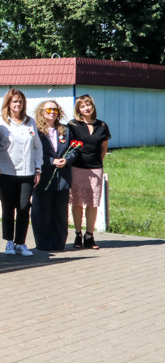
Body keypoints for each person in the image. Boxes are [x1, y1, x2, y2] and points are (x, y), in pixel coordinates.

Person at [0, 89, 43, 257]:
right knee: (8, 208)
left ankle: (20, 243)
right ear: (8, 103)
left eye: (20, 101)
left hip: (27, 172)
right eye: (14, 101)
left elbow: (37, 147)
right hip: (6, 172)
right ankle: (9, 241)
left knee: (23, 207)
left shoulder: (30, 122)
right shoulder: (0, 123)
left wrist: (38, 168)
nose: (18, 104)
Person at [31, 100, 76, 251]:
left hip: (62, 179)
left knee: (60, 213)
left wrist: (67, 160)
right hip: (43, 178)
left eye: (55, 110)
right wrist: (51, 161)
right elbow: (33, 151)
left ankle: (59, 243)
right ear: (41, 112)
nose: (52, 112)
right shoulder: (36, 130)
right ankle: (43, 244)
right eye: (49, 110)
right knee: (42, 212)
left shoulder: (65, 130)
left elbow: (74, 148)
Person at [68, 95, 111, 250]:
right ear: (78, 109)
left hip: (95, 169)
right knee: (77, 202)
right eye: (82, 106)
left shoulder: (102, 125)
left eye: (88, 105)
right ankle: (78, 234)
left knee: (93, 203)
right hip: (77, 168)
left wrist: (95, 164)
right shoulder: (72, 125)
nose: (86, 108)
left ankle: (89, 236)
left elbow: (103, 149)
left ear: (93, 106)